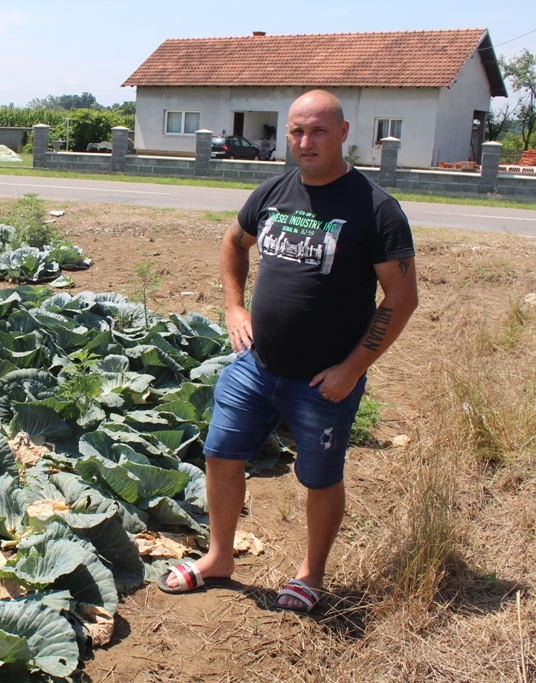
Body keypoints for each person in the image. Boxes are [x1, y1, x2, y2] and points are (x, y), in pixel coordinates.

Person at [159, 90, 418, 613]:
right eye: (297, 131)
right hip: (257, 365)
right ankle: (218, 557)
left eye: (319, 130)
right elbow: (234, 243)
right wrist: (235, 309)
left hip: (324, 381)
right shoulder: (274, 190)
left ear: (344, 134)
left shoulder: (375, 209)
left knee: (320, 478)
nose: (306, 141)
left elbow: (402, 297)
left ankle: (311, 574)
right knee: (220, 455)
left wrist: (351, 369)